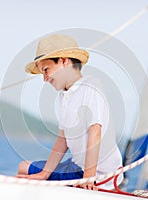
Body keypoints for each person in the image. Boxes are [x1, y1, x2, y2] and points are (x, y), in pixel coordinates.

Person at [17, 34, 123, 190]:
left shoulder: (90, 87)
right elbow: (62, 140)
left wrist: (89, 177)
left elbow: (95, 132)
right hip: (77, 166)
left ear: (64, 61)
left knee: (23, 168)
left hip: (97, 174)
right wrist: (44, 174)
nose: (45, 78)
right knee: (26, 168)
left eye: (46, 70)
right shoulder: (63, 96)